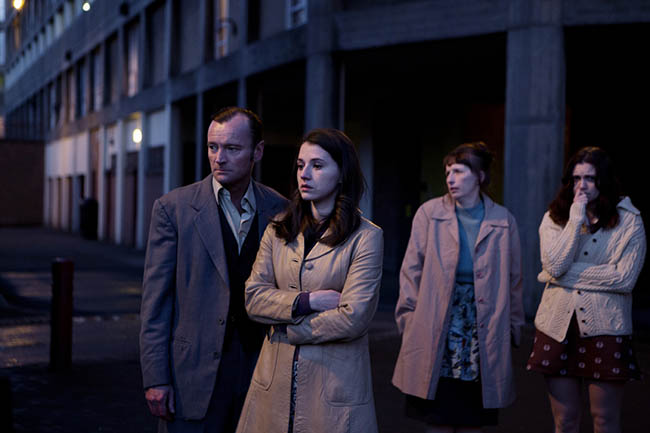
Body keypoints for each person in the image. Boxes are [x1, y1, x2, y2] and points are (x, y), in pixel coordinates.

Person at [139, 107, 287, 433]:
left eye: (232, 148)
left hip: (260, 370)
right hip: (192, 377)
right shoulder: (173, 209)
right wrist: (156, 378)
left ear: (257, 151)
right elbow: (155, 304)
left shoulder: (280, 210)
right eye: (212, 147)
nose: (219, 158)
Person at [235, 128, 384, 433]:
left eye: (317, 166)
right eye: (301, 165)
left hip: (332, 388)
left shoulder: (366, 237)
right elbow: (253, 297)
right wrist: (308, 301)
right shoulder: (278, 229)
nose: (304, 174)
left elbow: (354, 318)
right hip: (273, 384)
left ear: (341, 174)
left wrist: (287, 328)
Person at [392, 142, 524, 433]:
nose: (450, 178)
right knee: (437, 417)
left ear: (480, 176)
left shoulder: (503, 220)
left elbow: (515, 279)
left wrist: (514, 326)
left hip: (481, 327)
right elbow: (411, 271)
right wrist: (408, 320)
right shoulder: (429, 213)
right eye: (448, 172)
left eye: (459, 171)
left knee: (472, 419)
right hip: (436, 323)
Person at [527, 147, 646, 433]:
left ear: (604, 180)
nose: (582, 185)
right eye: (576, 178)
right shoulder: (555, 217)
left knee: (604, 421)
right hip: (557, 327)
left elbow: (624, 279)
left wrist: (558, 276)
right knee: (565, 421)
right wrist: (575, 219)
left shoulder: (629, 220)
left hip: (607, 328)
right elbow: (555, 265)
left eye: (590, 178)